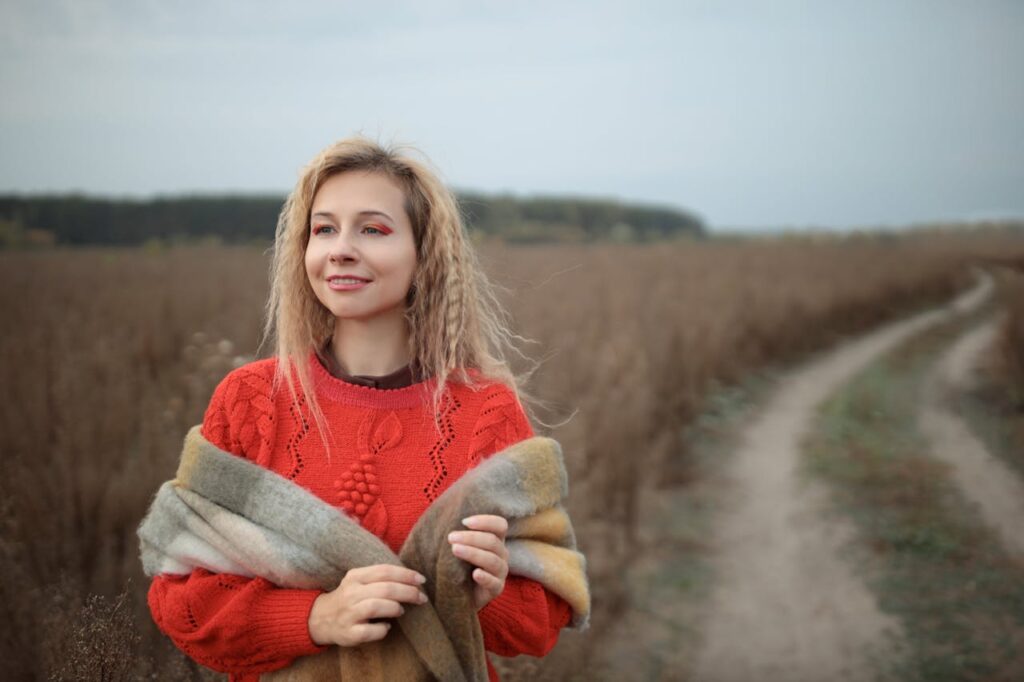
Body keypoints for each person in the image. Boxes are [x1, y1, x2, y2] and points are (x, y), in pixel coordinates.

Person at [144, 136, 575, 681]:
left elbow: (542, 619)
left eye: (372, 229)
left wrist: (489, 595)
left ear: (425, 256)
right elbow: (181, 599)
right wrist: (317, 617)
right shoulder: (251, 400)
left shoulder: (486, 411)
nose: (340, 249)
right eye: (324, 229)